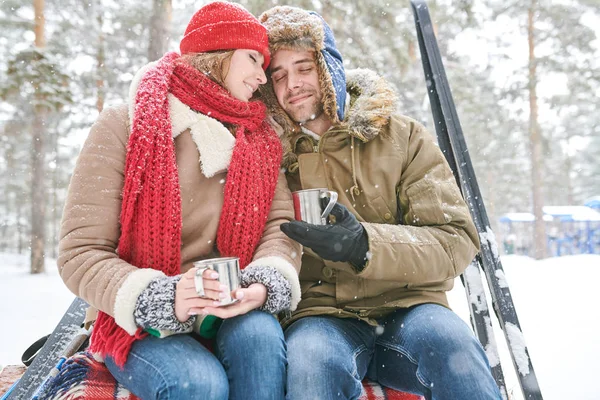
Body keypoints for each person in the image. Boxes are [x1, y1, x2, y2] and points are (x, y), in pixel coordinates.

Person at [57, 2, 301, 399]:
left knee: (259, 342)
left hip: (229, 307)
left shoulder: (261, 140)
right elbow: (80, 252)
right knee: (199, 383)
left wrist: (265, 281)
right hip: (139, 319)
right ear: (218, 54)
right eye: (253, 59)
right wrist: (161, 296)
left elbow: (280, 226)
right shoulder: (127, 123)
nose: (262, 76)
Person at [259, 6, 503, 400]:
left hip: (410, 308)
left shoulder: (402, 137)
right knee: (309, 365)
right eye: (279, 74)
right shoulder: (266, 154)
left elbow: (455, 240)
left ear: (328, 68)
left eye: (303, 68)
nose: (293, 84)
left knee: (454, 347)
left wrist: (365, 245)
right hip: (320, 316)